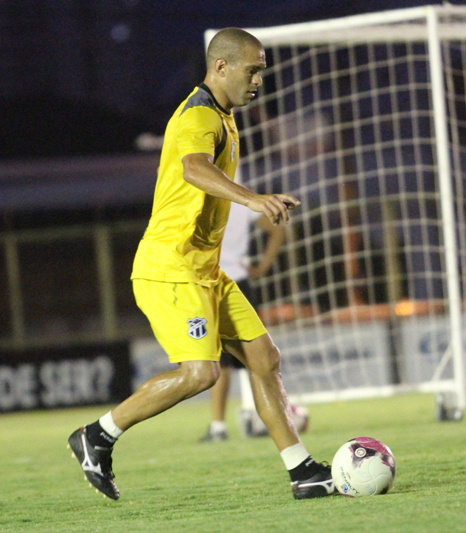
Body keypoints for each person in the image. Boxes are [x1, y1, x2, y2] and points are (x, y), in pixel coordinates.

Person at [67, 27, 335, 500]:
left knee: (265, 358)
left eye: (262, 72)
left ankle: (303, 472)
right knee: (201, 373)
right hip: (171, 267)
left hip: (205, 270)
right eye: (252, 71)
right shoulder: (199, 115)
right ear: (221, 67)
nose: (258, 81)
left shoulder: (223, 116)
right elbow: (194, 168)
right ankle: (98, 435)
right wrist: (252, 199)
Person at [198, 200, 285, 441]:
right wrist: (262, 266)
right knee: (254, 355)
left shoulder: (199, 192)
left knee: (220, 358)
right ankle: (257, 420)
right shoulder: (240, 197)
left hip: (209, 281)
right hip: (239, 281)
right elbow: (278, 229)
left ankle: (218, 427)